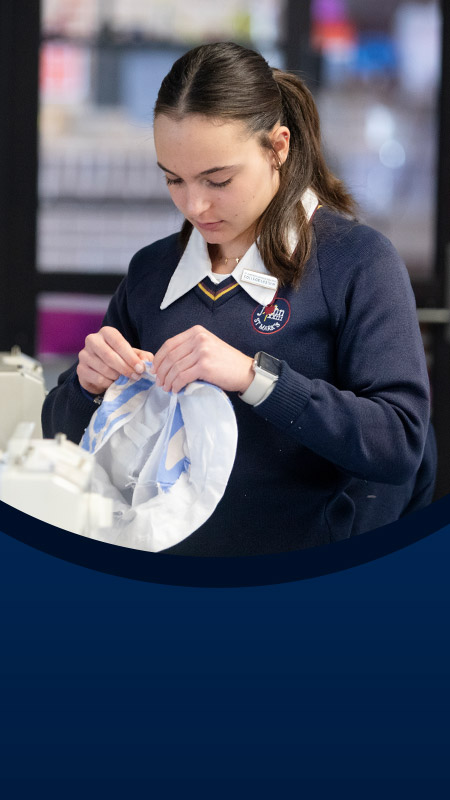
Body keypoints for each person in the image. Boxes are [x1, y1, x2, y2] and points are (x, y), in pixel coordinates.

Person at [42, 41, 437, 556]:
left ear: (279, 147)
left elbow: (400, 442)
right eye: (174, 179)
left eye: (218, 180)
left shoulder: (357, 263)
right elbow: (65, 440)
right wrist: (86, 387)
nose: (195, 204)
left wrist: (256, 378)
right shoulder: (152, 273)